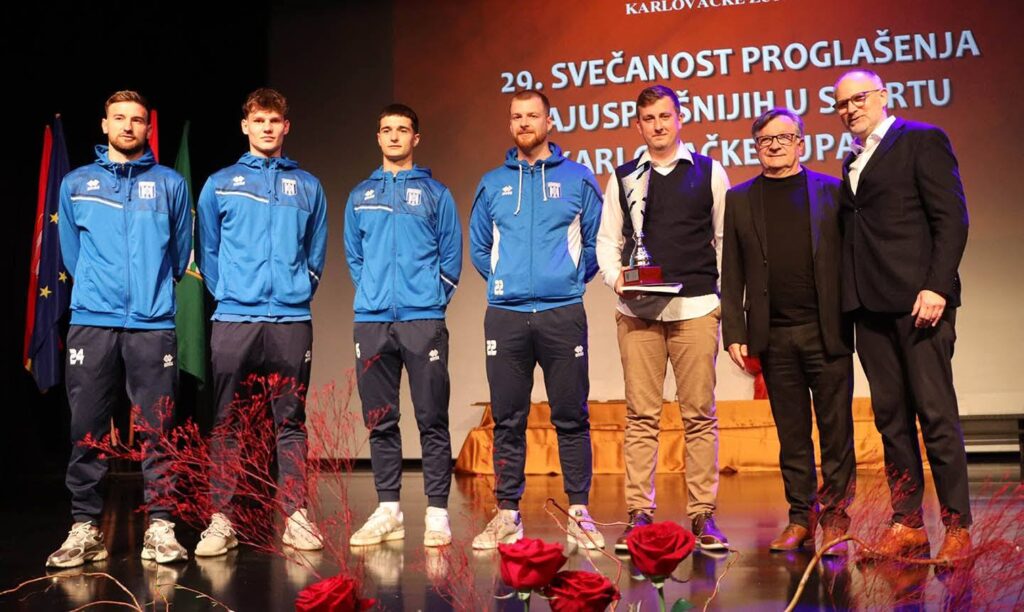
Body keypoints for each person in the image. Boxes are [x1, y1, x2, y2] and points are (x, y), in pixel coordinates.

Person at [833, 68, 971, 563]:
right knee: (891, 419)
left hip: (920, 303)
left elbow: (951, 217)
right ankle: (907, 523)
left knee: (935, 414)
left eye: (859, 98)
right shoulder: (852, 157)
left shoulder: (922, 139)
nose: (850, 109)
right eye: (842, 103)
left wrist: (937, 286)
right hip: (869, 308)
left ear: (884, 96)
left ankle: (957, 526)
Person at [50, 90, 191, 567]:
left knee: (158, 428)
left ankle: (161, 526)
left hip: (153, 324)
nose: (128, 126)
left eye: (137, 119)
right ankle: (85, 527)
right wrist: (98, 291)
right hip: (92, 322)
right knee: (86, 428)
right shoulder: (76, 183)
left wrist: (151, 291)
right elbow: (72, 254)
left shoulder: (170, 183)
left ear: (148, 127)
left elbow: (179, 255)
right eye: (119, 118)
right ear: (104, 125)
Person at [596, 84, 730, 553]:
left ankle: (703, 515)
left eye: (665, 116)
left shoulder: (709, 172)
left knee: (699, 416)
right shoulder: (624, 176)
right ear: (638, 126)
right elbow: (608, 241)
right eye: (649, 118)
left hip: (696, 309)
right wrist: (616, 279)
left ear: (679, 119)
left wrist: (720, 300)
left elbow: (723, 240)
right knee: (641, 416)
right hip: (638, 312)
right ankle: (639, 513)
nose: (658, 125)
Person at [194, 88, 328, 556]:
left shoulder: (308, 186)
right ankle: (222, 518)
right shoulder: (220, 183)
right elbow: (208, 250)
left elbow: (315, 253)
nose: (267, 128)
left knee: (290, 420)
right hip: (235, 318)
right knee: (227, 421)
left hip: (291, 318)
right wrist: (229, 292)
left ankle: (295, 515)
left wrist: (295, 289)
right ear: (245, 126)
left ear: (285, 127)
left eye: (274, 121)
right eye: (259, 120)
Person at [468, 89, 604, 550]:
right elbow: (479, 247)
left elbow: (597, 242)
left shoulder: (578, 178)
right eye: (516, 116)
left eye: (532, 115)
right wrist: (504, 281)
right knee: (508, 418)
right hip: (505, 316)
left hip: (562, 312)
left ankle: (580, 512)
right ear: (510, 124)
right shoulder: (492, 184)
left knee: (571, 415)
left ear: (550, 122)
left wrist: (567, 279)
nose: (524, 123)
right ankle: (507, 513)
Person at [721, 108, 856, 555]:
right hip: (774, 336)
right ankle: (801, 517)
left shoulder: (832, 191)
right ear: (756, 148)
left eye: (784, 137)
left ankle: (836, 519)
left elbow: (851, 257)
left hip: (826, 331)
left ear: (801, 143)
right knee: (791, 435)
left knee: (836, 431)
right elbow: (732, 270)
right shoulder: (741, 199)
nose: (774, 145)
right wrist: (735, 330)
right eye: (765, 140)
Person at [344, 104, 462, 547]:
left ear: (416, 138)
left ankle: (437, 512)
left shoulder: (436, 193)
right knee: (380, 421)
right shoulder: (360, 196)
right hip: (372, 322)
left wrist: (429, 299)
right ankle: (388, 509)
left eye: (403, 129)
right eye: (387, 129)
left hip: (422, 320)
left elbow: (451, 257)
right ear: (378, 137)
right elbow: (355, 257)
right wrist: (373, 294)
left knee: (432, 418)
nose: (394, 136)